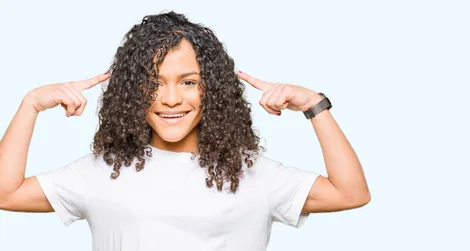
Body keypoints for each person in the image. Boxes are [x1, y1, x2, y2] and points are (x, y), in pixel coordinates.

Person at [0, 11, 370, 251]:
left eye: (189, 82)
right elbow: (7, 194)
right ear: (132, 92)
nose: (172, 99)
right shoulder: (100, 171)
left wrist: (314, 106)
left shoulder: (254, 173)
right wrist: (30, 104)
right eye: (154, 83)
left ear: (212, 89)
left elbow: (351, 192)